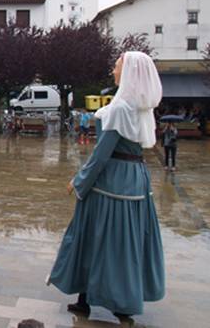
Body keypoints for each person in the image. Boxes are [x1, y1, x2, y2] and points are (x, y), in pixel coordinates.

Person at [48, 51, 165, 321]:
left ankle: (117, 301)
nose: (113, 70)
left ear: (129, 73)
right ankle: (90, 298)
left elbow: (102, 154)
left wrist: (78, 182)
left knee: (101, 237)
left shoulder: (120, 108)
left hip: (112, 182)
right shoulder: (141, 107)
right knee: (123, 240)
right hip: (136, 178)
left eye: (117, 66)